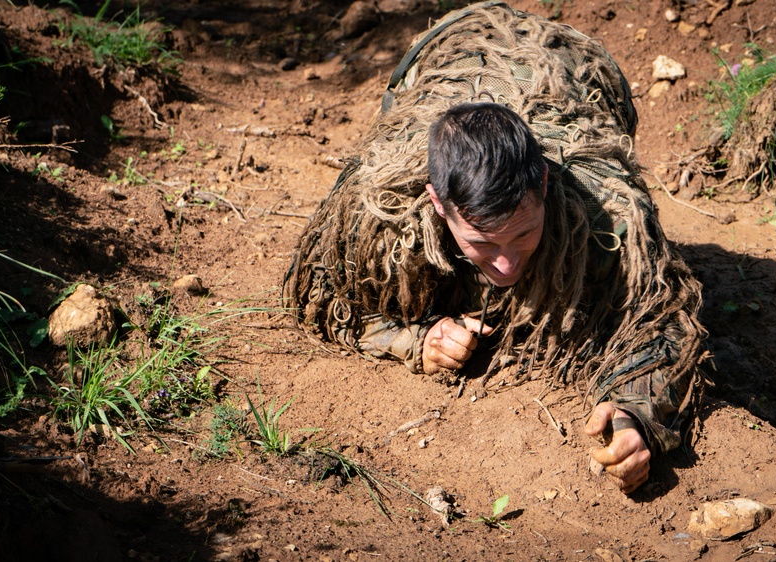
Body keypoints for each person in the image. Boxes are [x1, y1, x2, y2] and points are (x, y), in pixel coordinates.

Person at [284, 1, 706, 493]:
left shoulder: (610, 214)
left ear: (545, 183)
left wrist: (635, 414)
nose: (506, 262)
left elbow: (661, 321)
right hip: (449, 46)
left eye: (524, 234)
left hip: (575, 67)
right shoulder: (379, 209)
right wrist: (412, 340)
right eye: (482, 242)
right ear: (437, 204)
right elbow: (323, 295)